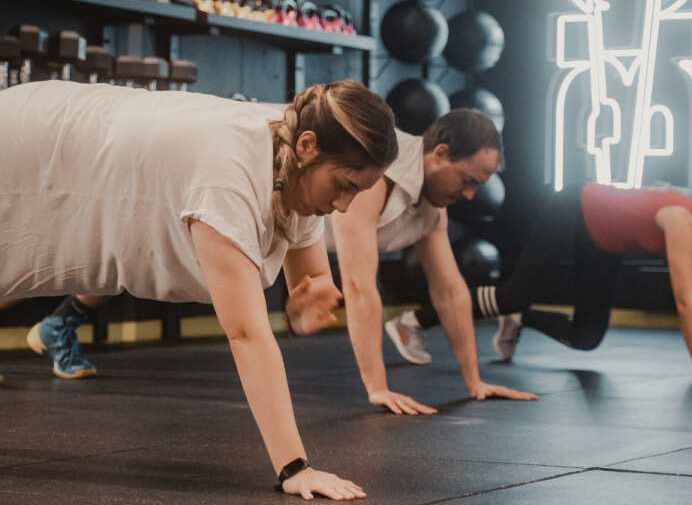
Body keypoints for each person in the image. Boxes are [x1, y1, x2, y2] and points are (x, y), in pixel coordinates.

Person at [0, 78, 399, 500]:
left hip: (76, 136)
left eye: (357, 192)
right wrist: (295, 468)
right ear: (306, 147)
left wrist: (302, 311)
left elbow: (310, 284)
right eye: (344, 185)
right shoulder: (229, 178)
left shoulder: (298, 160)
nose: (344, 207)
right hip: (32, 139)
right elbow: (245, 334)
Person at [393, 161, 692, 381]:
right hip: (576, 207)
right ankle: (412, 322)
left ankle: (518, 318)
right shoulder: (683, 217)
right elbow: (684, 301)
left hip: (605, 242)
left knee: (586, 337)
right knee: (516, 291)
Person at [289, 109, 537, 415]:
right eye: (467, 180)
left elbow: (450, 292)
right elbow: (358, 285)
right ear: (440, 154)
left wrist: (475, 383)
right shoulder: (377, 169)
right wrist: (378, 388)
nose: (470, 195)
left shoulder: (432, 207)